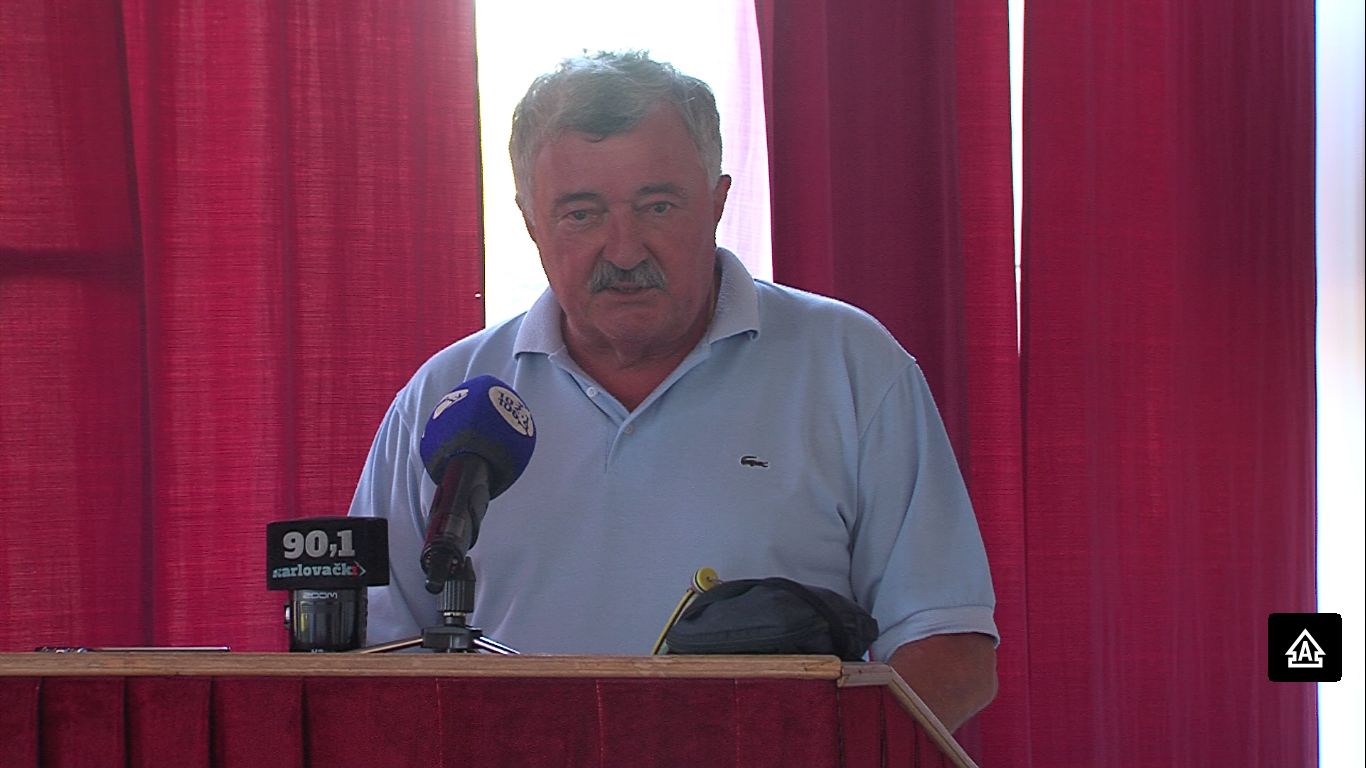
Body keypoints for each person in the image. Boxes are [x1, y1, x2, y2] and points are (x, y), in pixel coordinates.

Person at [348, 51, 998, 730]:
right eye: (581, 214)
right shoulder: (448, 398)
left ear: (717, 201)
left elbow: (949, 650)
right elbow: (370, 660)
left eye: (658, 206)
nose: (625, 251)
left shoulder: (851, 366)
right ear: (531, 219)